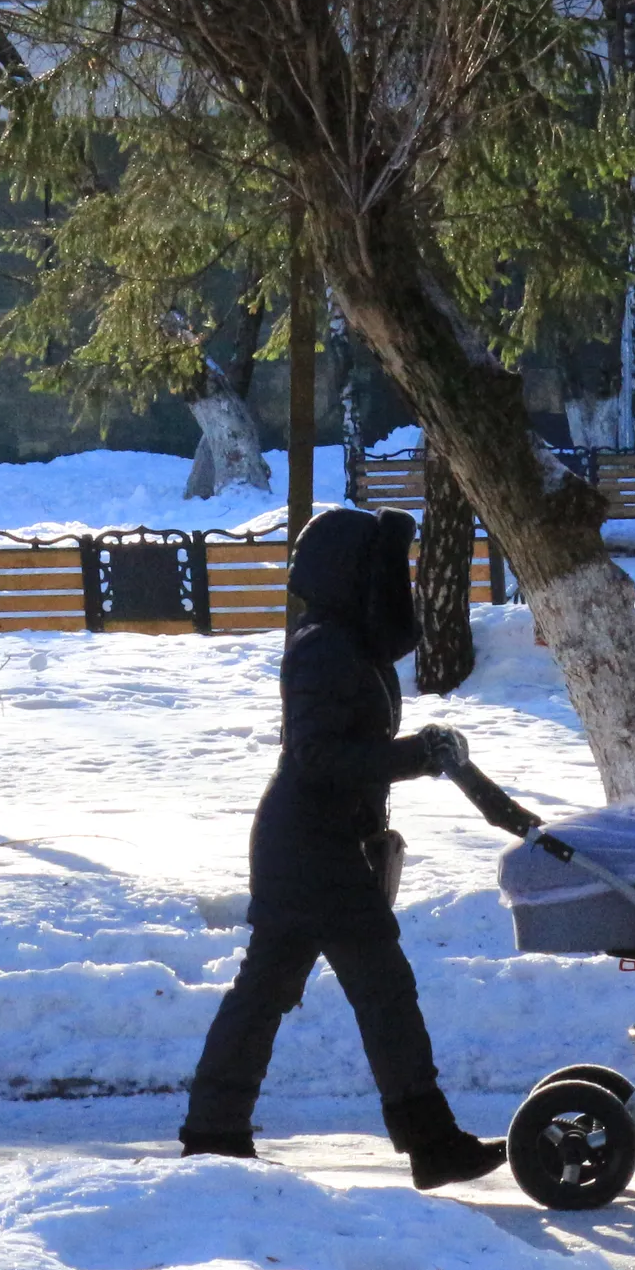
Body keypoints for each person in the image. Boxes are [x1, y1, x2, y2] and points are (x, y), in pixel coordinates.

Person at [178, 504, 506, 1189]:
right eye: (386, 570)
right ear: (353, 574)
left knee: (269, 989)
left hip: (316, 842)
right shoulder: (326, 646)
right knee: (379, 990)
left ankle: (215, 1131)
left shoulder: (341, 640)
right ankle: (428, 1139)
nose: (398, 584)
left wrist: (418, 753)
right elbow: (320, 756)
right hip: (311, 847)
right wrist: (416, 755)